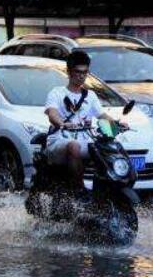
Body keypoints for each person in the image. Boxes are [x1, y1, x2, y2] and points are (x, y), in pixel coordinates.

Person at [44, 51, 122, 191]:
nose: (81, 76)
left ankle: (107, 189)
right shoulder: (57, 93)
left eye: (85, 72)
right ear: (69, 72)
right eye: (78, 72)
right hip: (60, 140)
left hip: (85, 140)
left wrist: (117, 124)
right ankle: (80, 190)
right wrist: (62, 123)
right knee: (74, 146)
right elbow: (52, 113)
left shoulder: (90, 96)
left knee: (109, 147)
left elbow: (102, 115)